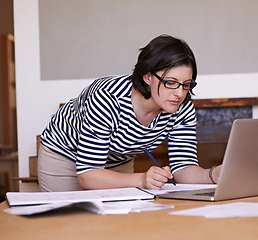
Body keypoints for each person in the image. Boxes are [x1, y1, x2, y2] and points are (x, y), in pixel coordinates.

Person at [38, 34, 221, 192]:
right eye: (170, 82)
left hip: (118, 161)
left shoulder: (181, 105)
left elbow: (183, 168)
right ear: (148, 76)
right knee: (68, 224)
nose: (180, 93)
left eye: (186, 84)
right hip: (66, 157)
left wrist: (214, 175)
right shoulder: (107, 98)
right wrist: (142, 180)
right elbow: (88, 174)